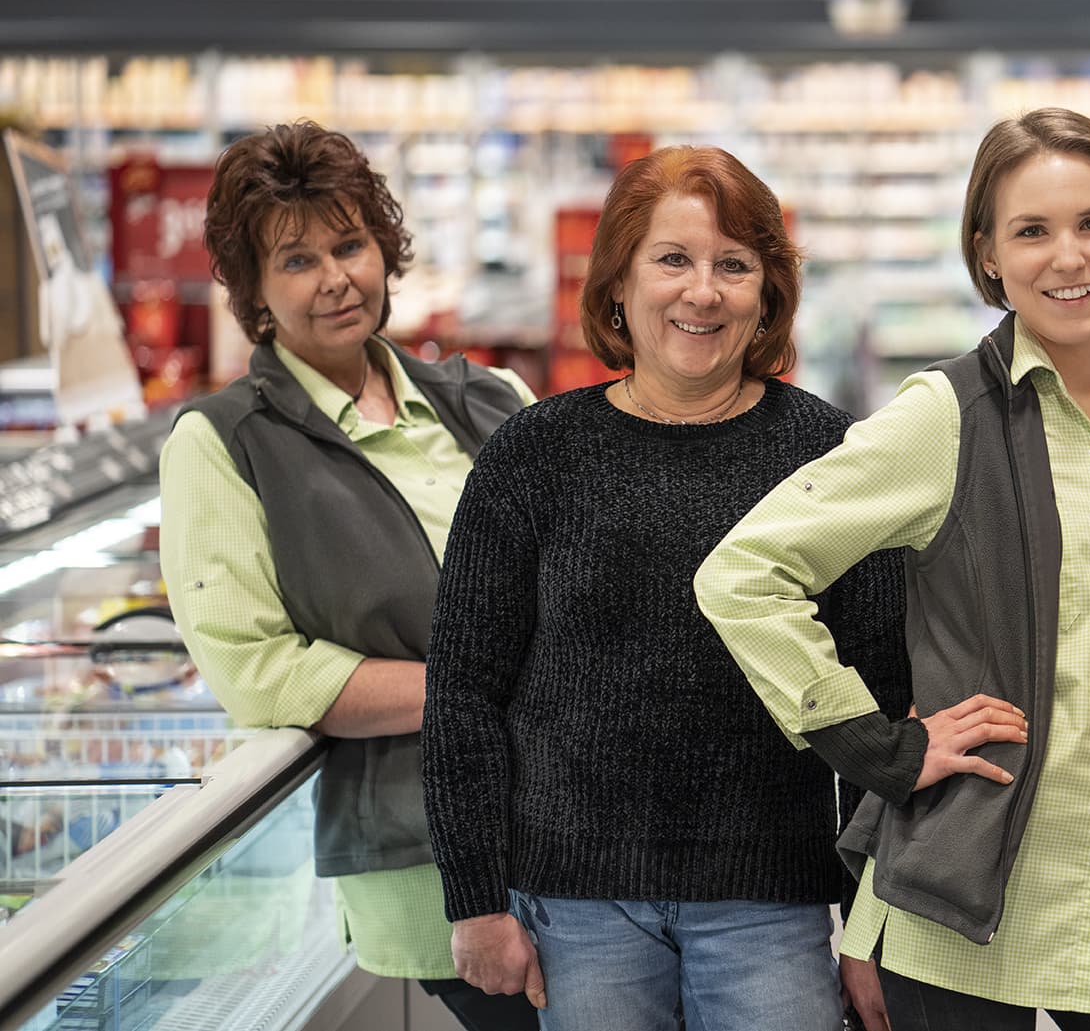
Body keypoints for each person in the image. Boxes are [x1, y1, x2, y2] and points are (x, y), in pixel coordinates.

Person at [696, 108, 1090, 1031]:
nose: (1069, 257)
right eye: (1031, 230)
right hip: (960, 916)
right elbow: (745, 572)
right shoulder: (945, 416)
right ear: (987, 256)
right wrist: (868, 740)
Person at [421, 145, 910, 1031]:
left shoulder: (832, 459)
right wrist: (474, 897)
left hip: (773, 907)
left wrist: (874, 919)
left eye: (735, 265)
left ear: (768, 293)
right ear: (618, 282)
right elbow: (461, 691)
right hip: (575, 907)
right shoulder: (535, 455)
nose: (703, 291)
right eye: (673, 259)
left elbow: (886, 702)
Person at [158, 121, 539, 1031]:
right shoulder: (223, 444)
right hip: (424, 855)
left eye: (350, 244)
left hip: (575, 821)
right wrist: (474, 688)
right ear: (250, 288)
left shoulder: (490, 398)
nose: (335, 277)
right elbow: (260, 672)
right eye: (295, 260)